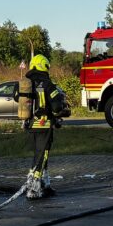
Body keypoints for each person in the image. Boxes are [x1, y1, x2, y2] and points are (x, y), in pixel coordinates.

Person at [23, 54, 69, 199]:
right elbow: (56, 105)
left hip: (31, 125)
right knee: (42, 155)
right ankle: (34, 189)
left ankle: (45, 185)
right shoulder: (48, 84)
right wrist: (57, 114)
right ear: (44, 66)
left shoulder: (27, 83)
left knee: (40, 154)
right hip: (44, 124)